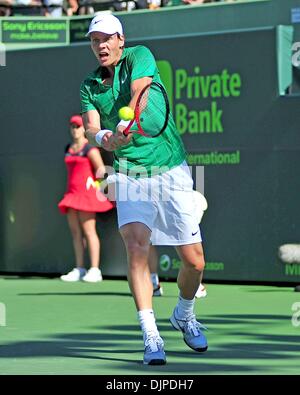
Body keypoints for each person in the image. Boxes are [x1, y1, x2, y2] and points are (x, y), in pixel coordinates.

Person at [81, 14, 208, 365]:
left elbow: (140, 91)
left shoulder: (141, 56)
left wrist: (128, 120)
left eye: (107, 38)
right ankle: (150, 335)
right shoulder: (90, 85)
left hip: (169, 167)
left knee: (195, 262)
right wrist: (106, 136)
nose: (101, 46)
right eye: (94, 40)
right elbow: (92, 127)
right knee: (136, 247)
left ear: (121, 39)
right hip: (128, 173)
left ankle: (184, 314)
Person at [58, 114, 114, 283]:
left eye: (78, 126)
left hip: (86, 195)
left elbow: (102, 171)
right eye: (72, 126)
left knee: (89, 232)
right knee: (76, 233)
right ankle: (80, 268)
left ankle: (95, 270)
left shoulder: (90, 149)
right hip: (71, 194)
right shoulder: (69, 148)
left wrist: (96, 183)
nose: (75, 130)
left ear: (84, 129)